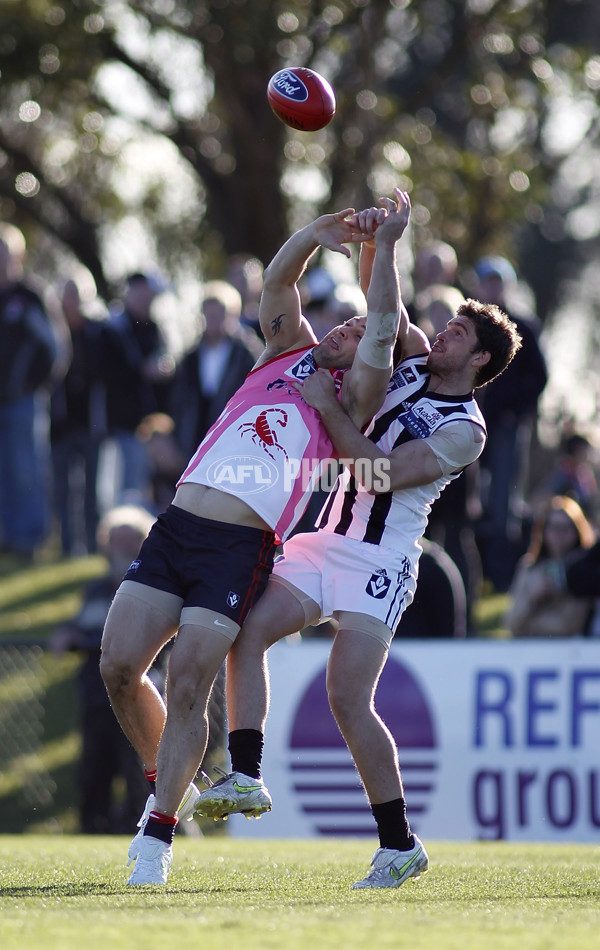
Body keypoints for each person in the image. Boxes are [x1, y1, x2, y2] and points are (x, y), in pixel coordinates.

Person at [100, 191, 412, 886]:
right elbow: (278, 282)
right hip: (177, 529)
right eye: (340, 320)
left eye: (356, 329)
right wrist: (317, 231)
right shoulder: (284, 352)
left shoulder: (350, 396)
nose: (344, 329)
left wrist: (384, 246)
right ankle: (165, 783)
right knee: (119, 668)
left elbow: (386, 328)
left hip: (237, 549)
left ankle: (156, 837)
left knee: (188, 685)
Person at [196, 290, 522, 890]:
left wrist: (328, 407)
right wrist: (383, 242)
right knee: (246, 631)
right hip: (325, 539)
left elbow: (382, 475)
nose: (442, 334)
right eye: (446, 327)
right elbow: (386, 309)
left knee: (346, 699)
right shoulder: (415, 358)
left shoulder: (466, 431)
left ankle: (399, 845)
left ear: (479, 361)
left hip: (382, 559)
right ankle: (246, 773)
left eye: (458, 333)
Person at [49, 505, 158, 832]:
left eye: (130, 541)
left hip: (139, 695)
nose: (121, 549)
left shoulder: (153, 588)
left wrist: (85, 640)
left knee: (138, 772)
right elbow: (85, 625)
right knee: (93, 772)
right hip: (97, 699)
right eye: (115, 541)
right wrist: (69, 633)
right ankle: (93, 829)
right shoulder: (96, 590)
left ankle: (145, 832)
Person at [473, 256, 548, 592]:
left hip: (503, 429)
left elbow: (540, 376)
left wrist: (514, 412)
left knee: (504, 502)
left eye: (497, 280)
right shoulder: (468, 324)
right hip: (466, 425)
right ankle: (476, 576)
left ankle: (502, 580)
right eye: (486, 280)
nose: (492, 286)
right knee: (467, 500)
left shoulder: (522, 326)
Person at [0, 222, 70, 557]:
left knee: (25, 470)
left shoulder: (31, 296)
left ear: (17, 257)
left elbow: (55, 348)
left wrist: (34, 385)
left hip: (23, 401)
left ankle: (28, 540)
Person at [102, 272, 175, 505]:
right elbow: (109, 375)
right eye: (139, 293)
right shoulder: (113, 329)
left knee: (155, 491)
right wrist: (142, 371)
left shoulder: (156, 329)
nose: (145, 299)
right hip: (125, 426)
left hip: (154, 429)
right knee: (128, 492)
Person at [169, 280, 260, 460]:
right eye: (208, 314)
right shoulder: (191, 357)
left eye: (219, 314)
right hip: (196, 434)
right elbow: (181, 400)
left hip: (232, 432)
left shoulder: (245, 354)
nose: (213, 320)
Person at [50, 278, 108, 555]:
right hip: (59, 426)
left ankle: (94, 547)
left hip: (91, 424)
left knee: (90, 493)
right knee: (63, 490)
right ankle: (67, 547)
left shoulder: (97, 333)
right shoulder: (53, 331)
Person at [504, 495, 596, 638]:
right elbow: (511, 623)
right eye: (553, 527)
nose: (558, 534)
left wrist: (532, 624)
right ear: (543, 531)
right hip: (529, 651)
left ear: (578, 531)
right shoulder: (529, 567)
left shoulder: (584, 572)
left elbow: (571, 626)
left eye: (565, 528)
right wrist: (534, 599)